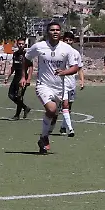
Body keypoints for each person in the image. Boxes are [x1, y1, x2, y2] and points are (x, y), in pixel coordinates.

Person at [24, 21, 84, 154]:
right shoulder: (39, 46)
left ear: (60, 32)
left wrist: (64, 72)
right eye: (52, 30)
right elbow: (27, 59)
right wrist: (24, 77)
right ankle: (45, 139)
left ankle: (43, 138)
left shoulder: (67, 49)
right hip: (43, 85)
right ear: (47, 32)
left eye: (57, 30)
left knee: (55, 115)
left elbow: (75, 67)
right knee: (51, 110)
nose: (55, 32)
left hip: (59, 88)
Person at [60, 50, 85, 136]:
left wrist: (82, 80)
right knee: (65, 105)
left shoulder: (76, 53)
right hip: (63, 83)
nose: (68, 42)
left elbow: (80, 68)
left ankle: (63, 126)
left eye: (70, 40)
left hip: (72, 83)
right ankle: (71, 129)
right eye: (66, 40)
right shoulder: (60, 52)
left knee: (68, 107)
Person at [6, 44, 31, 120]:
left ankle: (17, 115)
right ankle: (25, 107)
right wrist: (8, 76)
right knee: (10, 95)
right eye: (19, 44)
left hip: (23, 78)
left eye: (22, 44)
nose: (20, 45)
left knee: (19, 96)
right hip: (16, 77)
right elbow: (13, 67)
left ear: (24, 45)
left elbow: (31, 67)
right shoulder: (15, 54)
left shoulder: (27, 55)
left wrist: (28, 79)